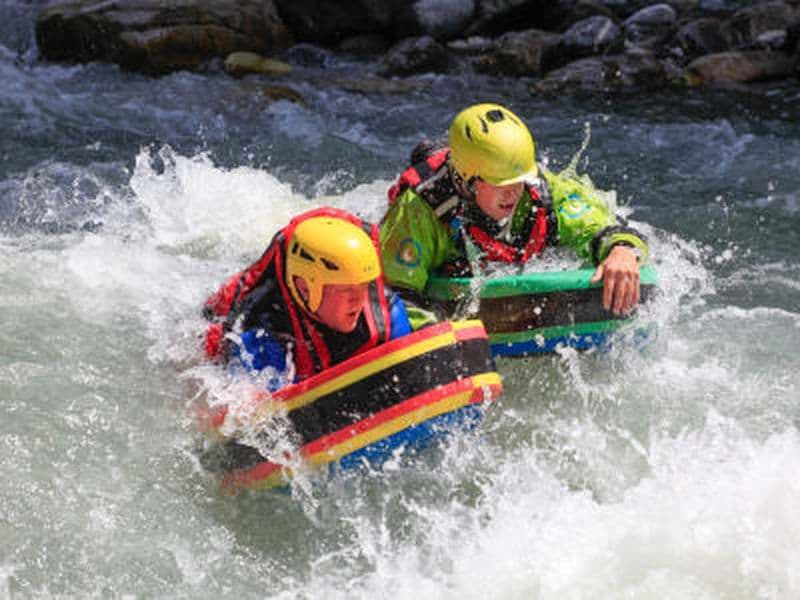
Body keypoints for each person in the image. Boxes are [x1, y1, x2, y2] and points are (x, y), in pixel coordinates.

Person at [380, 103, 649, 316]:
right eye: (501, 184)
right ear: (467, 180)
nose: (514, 192)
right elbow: (397, 295)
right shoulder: (419, 210)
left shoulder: (539, 193)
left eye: (519, 181)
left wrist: (621, 250)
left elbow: (599, 224)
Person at [202, 207, 432, 386]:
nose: (358, 299)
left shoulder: (387, 312)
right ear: (305, 289)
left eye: (363, 286)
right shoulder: (264, 335)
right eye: (344, 289)